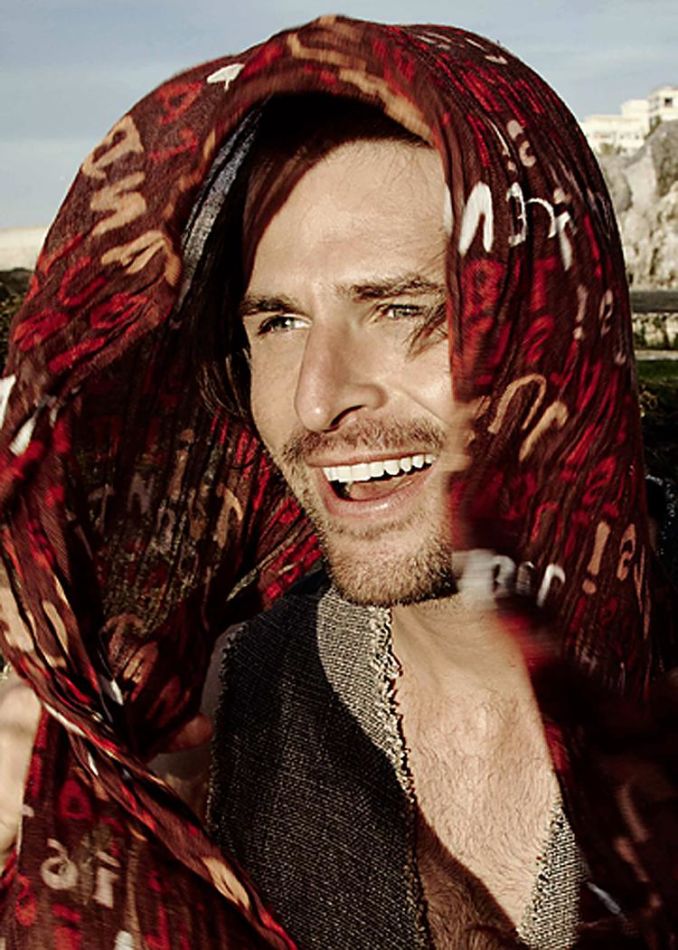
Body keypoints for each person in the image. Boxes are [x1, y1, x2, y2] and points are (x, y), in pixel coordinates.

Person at [0, 14, 676, 949]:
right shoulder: (223, 716)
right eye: (278, 323)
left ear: (552, 324)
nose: (315, 401)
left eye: (400, 309)